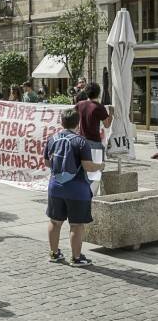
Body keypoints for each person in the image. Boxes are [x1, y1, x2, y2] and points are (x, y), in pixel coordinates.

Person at [44, 108, 104, 266]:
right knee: (76, 225)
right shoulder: (81, 141)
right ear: (78, 123)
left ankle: (54, 253)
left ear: (61, 122)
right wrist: (100, 165)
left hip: (55, 186)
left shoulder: (52, 138)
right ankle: (76, 258)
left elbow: (47, 162)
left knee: (55, 221)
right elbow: (88, 166)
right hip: (77, 190)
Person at [75, 82, 114, 159]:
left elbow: (73, 119)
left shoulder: (79, 104)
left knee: (83, 167)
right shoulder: (99, 107)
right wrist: (111, 114)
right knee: (97, 168)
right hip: (94, 141)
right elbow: (107, 125)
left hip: (81, 140)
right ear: (99, 93)